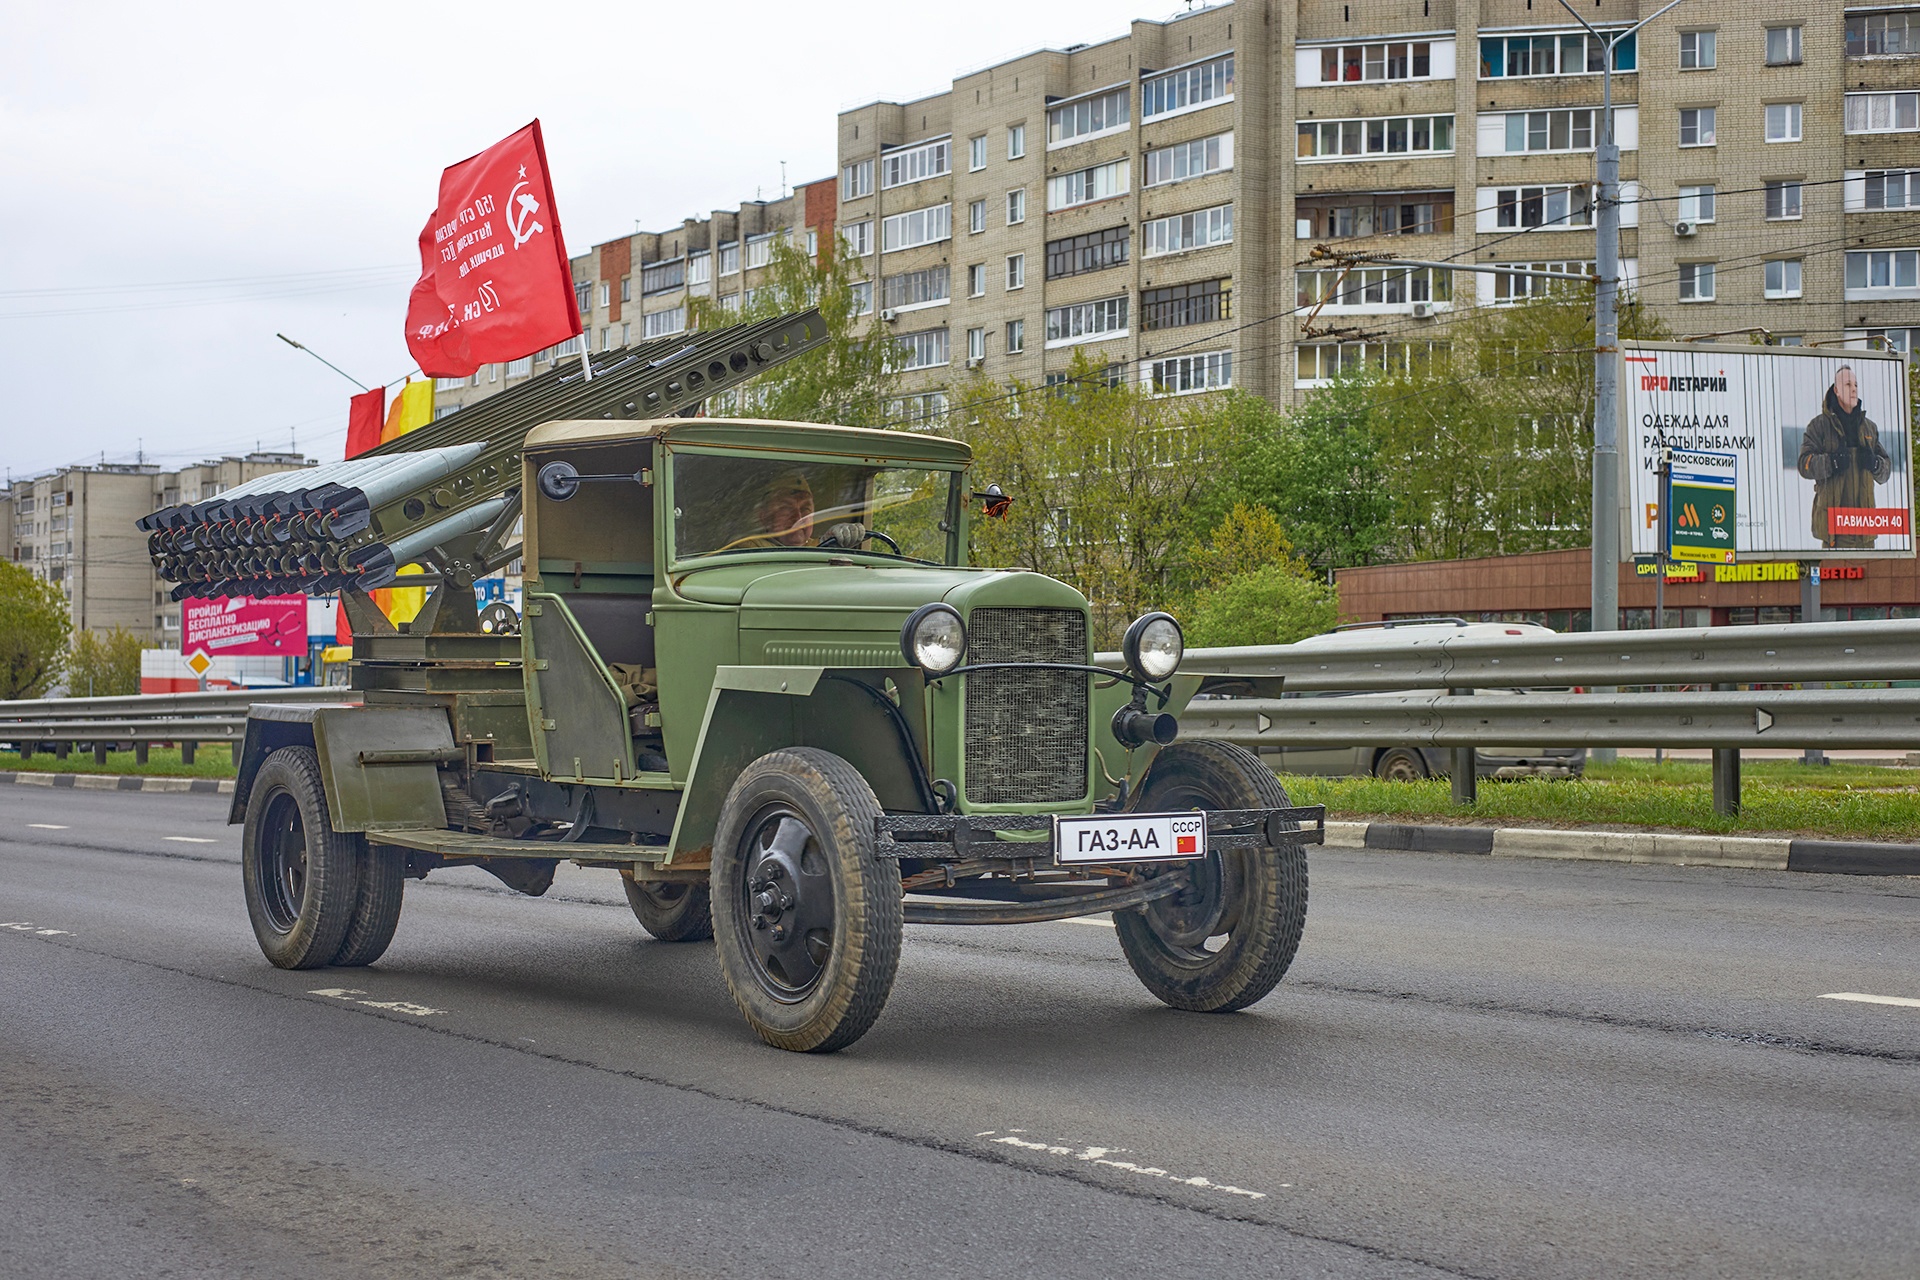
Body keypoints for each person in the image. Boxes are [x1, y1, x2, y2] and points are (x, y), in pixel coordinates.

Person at [1796, 365, 1892, 550]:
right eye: (1848, 384)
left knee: (1868, 579)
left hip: (1865, 529)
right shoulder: (1819, 426)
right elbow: (1803, 464)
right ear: (1836, 390)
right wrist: (1830, 462)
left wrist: (1875, 464)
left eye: (1856, 384)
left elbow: (1886, 471)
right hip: (1835, 529)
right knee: (1836, 578)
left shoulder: (1869, 427)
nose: (1854, 388)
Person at [733, 470, 816, 549]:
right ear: (764, 516)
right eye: (786, 508)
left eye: (805, 509)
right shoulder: (748, 552)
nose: (798, 518)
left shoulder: (822, 548)